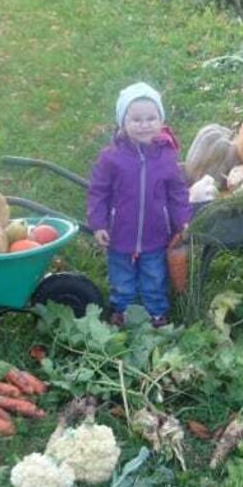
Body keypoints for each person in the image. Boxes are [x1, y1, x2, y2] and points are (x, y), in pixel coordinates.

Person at [86, 82, 191, 327]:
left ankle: (156, 313)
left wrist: (182, 219)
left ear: (160, 121)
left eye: (151, 118)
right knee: (121, 277)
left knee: (154, 276)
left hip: (156, 232)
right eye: (136, 119)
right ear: (123, 123)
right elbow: (98, 192)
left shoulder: (166, 156)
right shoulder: (111, 158)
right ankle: (123, 311)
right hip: (119, 232)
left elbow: (177, 191)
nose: (144, 125)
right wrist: (99, 223)